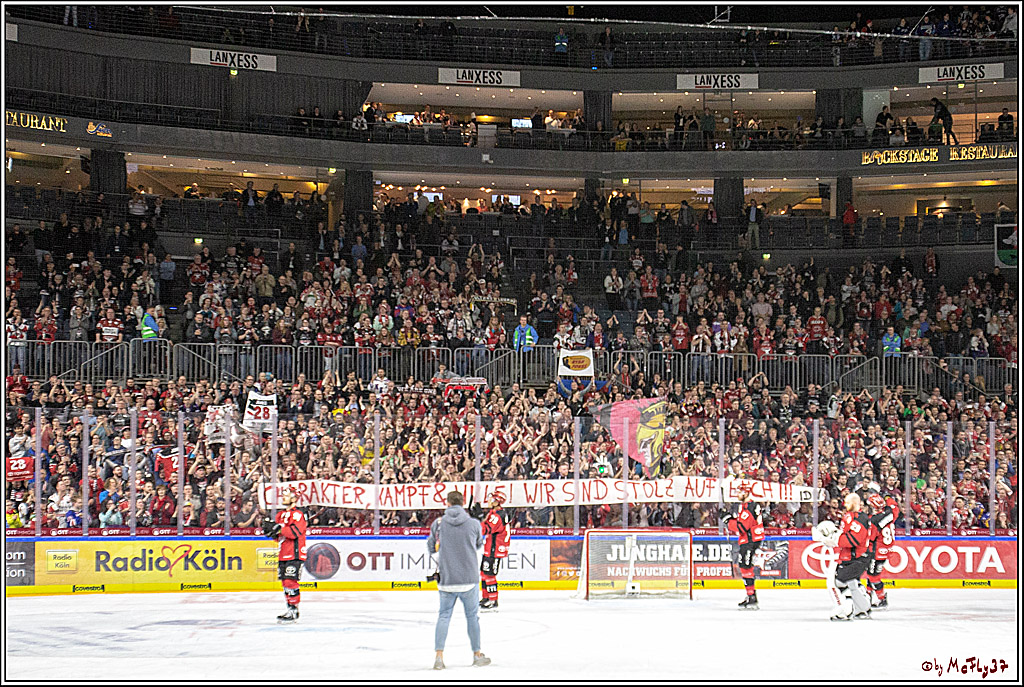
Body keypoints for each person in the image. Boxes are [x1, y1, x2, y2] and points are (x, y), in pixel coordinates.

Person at [427, 490, 490, 670]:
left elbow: (431, 545)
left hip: (447, 578)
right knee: (472, 617)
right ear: (462, 503)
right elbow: (478, 544)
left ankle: (439, 656)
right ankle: (477, 654)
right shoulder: (473, 523)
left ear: (447, 503)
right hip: (469, 577)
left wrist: (440, 557)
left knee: (444, 616)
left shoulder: (438, 524)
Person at [816, 492, 872, 621]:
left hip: (858, 558)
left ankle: (844, 610)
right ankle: (862, 609)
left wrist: (835, 538)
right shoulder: (849, 516)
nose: (845, 504)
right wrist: (833, 537)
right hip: (850, 557)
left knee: (838, 583)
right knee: (851, 583)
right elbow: (845, 535)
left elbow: (855, 539)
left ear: (854, 503)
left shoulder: (859, 518)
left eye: (847, 502)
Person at [261, 487, 307, 623]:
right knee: (285, 583)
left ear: (294, 498)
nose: (283, 497)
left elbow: (295, 532)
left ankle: (294, 610)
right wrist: (271, 532)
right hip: (283, 552)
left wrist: (280, 528)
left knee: (290, 581)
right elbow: (278, 537)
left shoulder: (298, 514)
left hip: (295, 552)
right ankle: (289, 609)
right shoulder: (280, 515)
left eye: (287, 495)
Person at [721, 483, 764, 609]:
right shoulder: (746, 506)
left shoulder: (749, 507)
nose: (737, 495)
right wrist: (730, 518)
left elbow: (742, 527)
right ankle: (751, 595)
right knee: (745, 566)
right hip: (749, 539)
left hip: (750, 540)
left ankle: (751, 597)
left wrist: (728, 521)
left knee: (745, 566)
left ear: (746, 493)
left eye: (739, 492)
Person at [470, 492, 510, 610]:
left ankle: (493, 599)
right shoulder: (495, 513)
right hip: (490, 548)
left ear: (497, 501)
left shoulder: (497, 516)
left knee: (489, 574)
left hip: (495, 548)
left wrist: (478, 519)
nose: (489, 500)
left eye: (492, 499)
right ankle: (486, 597)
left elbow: (485, 530)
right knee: (484, 573)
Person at [865, 491, 900, 609]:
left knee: (873, 575)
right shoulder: (890, 511)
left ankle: (881, 598)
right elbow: (893, 505)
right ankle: (867, 595)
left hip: (877, 551)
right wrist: (887, 497)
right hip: (888, 549)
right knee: (871, 573)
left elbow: (871, 537)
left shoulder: (874, 520)